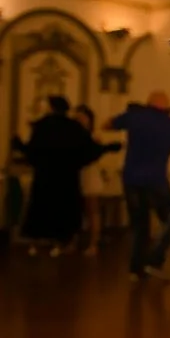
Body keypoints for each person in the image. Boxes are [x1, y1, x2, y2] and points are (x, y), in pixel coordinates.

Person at [12, 96, 109, 257]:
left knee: (89, 210)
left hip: (82, 174)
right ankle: (68, 242)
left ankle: (89, 244)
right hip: (72, 175)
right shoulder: (71, 129)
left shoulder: (62, 129)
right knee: (72, 210)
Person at [105, 91, 170, 282]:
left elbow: (107, 125)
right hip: (156, 180)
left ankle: (136, 269)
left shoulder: (135, 116)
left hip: (131, 179)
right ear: (166, 107)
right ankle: (154, 260)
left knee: (139, 225)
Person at [73, 104, 122, 256]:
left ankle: (93, 244)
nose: (80, 120)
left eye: (82, 117)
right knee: (76, 210)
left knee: (92, 210)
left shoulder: (93, 137)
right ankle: (74, 242)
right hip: (76, 173)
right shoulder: (73, 135)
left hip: (89, 173)